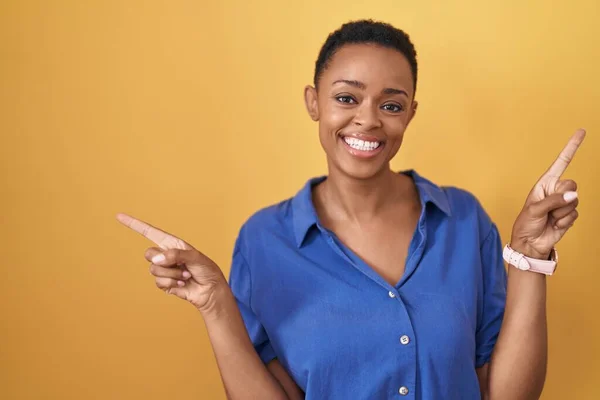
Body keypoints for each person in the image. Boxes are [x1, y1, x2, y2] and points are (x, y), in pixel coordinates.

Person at [117, 20, 585, 400]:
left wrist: (528, 255)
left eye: (392, 104)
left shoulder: (464, 220)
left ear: (411, 114)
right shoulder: (263, 241)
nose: (368, 119)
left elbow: (504, 395)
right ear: (313, 102)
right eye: (347, 97)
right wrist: (216, 304)